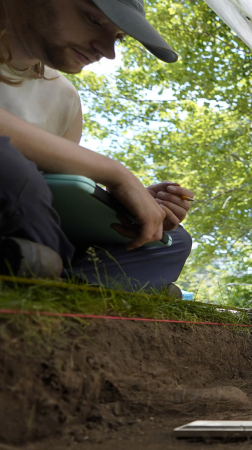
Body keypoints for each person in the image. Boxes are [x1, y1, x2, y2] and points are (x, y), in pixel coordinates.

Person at [0, 0, 192, 291]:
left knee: (173, 241)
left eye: (117, 38)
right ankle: (110, 283)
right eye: (93, 20)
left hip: (28, 222)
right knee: (13, 167)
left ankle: (60, 278)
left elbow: (58, 190)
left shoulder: (64, 97)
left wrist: (120, 207)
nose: (108, 51)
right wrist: (115, 172)